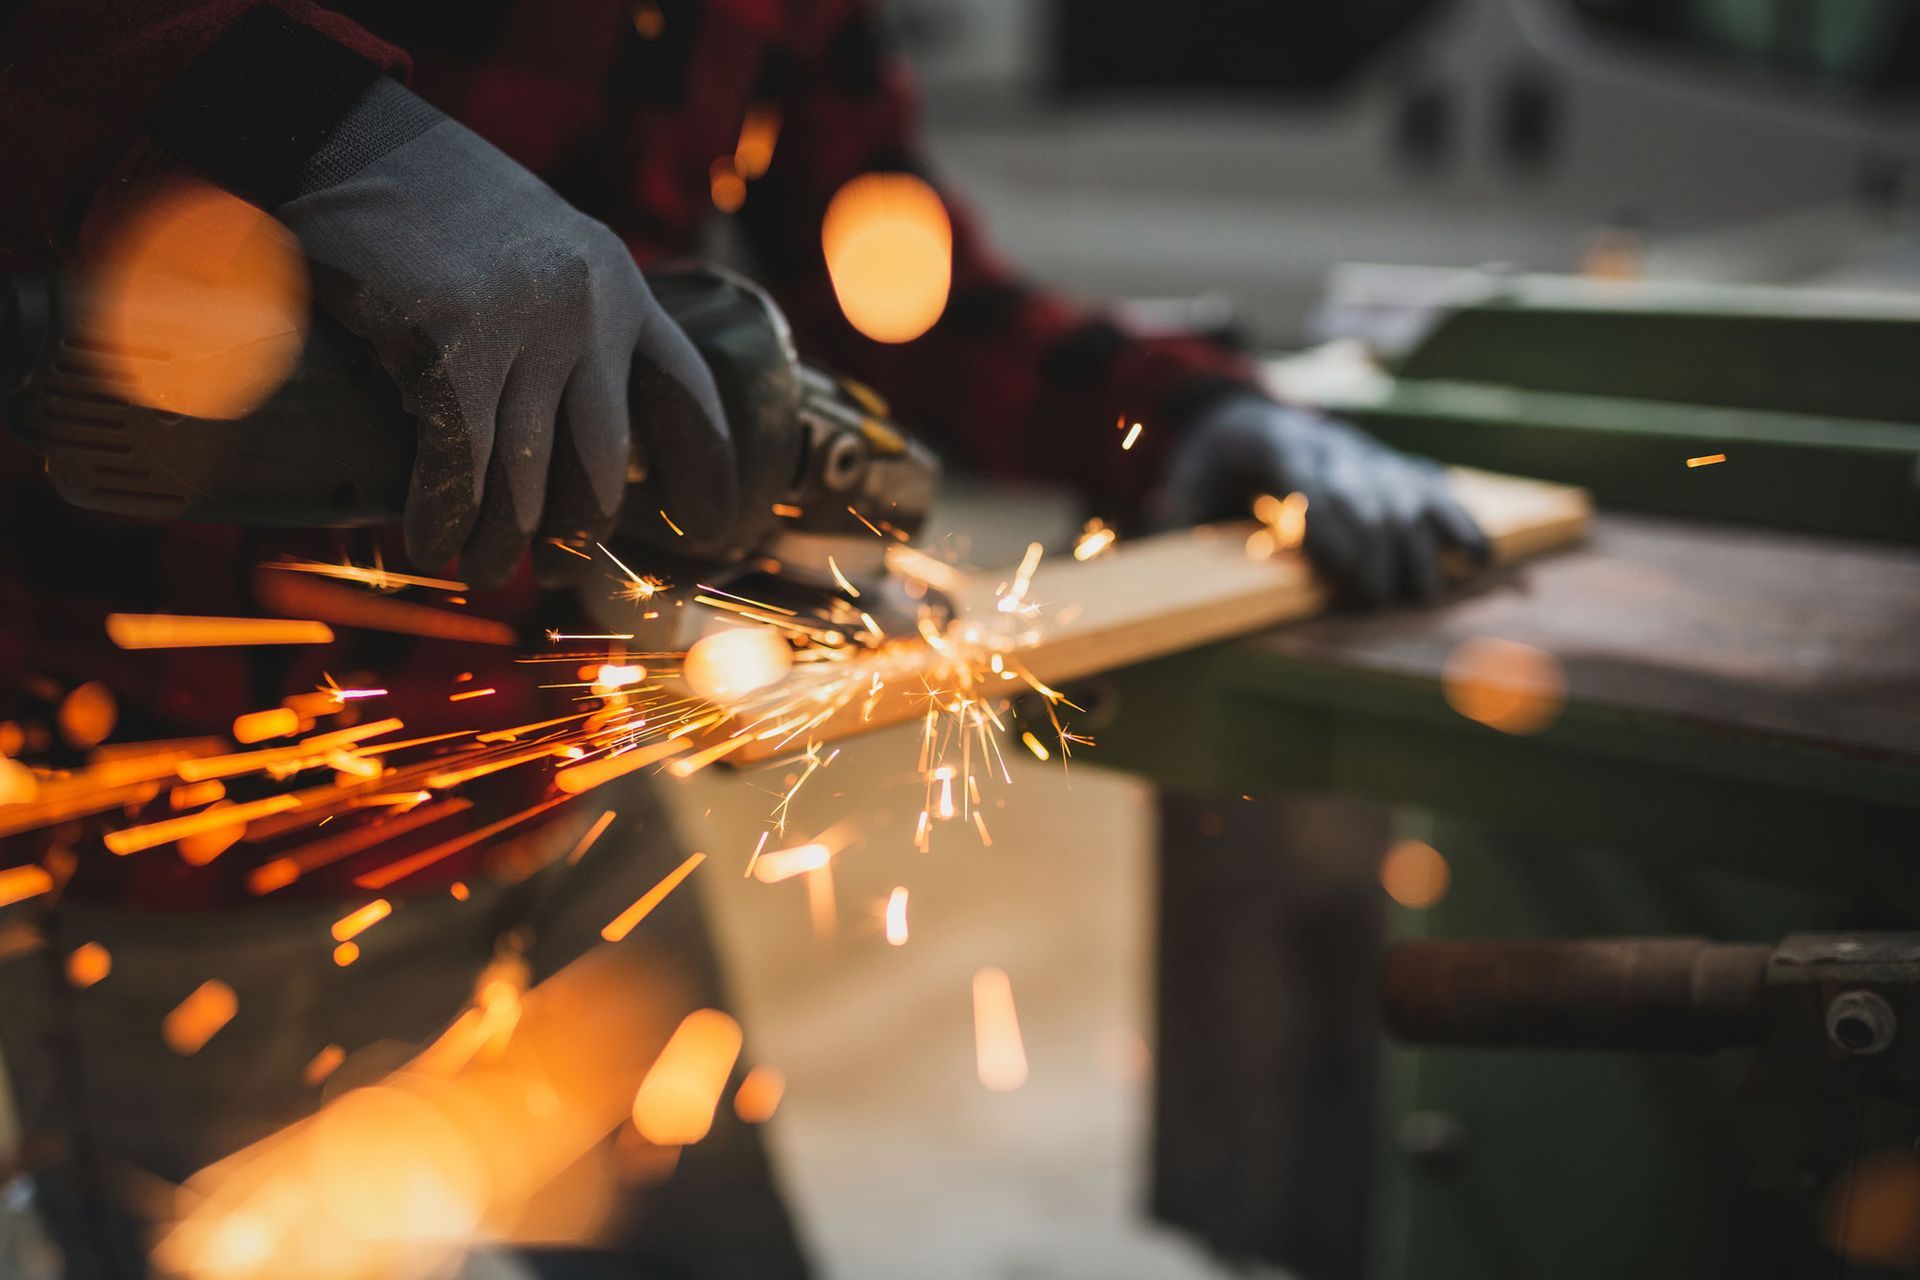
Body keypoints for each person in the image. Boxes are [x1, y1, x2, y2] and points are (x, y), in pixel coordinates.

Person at [0, 2, 1487, 1276]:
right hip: (187, 814)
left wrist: (1195, 417)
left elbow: (889, 275)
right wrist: (324, 133)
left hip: (556, 765)